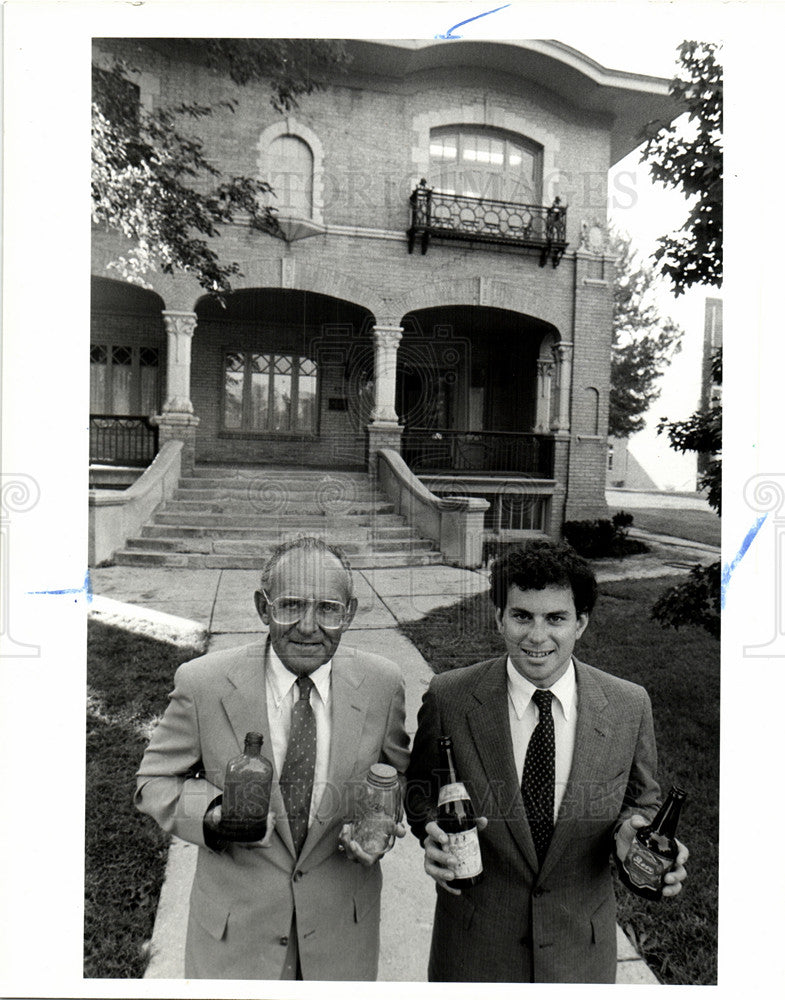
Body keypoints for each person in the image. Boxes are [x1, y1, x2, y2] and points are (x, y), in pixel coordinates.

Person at [405, 540, 688, 983]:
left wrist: (633, 831)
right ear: (499, 618)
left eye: (556, 618)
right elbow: (420, 791)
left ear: (581, 624)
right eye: (522, 616)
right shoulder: (449, 697)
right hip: (474, 950)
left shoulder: (630, 704)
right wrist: (432, 834)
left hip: (580, 953)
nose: (537, 636)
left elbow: (643, 800)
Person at [136, 536, 409, 980]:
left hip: (342, 939)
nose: (307, 625)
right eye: (290, 605)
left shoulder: (382, 683)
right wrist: (211, 815)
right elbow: (155, 781)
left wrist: (384, 813)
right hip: (235, 943)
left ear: (351, 613)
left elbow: (397, 771)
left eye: (327, 609)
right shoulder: (203, 683)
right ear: (263, 608)